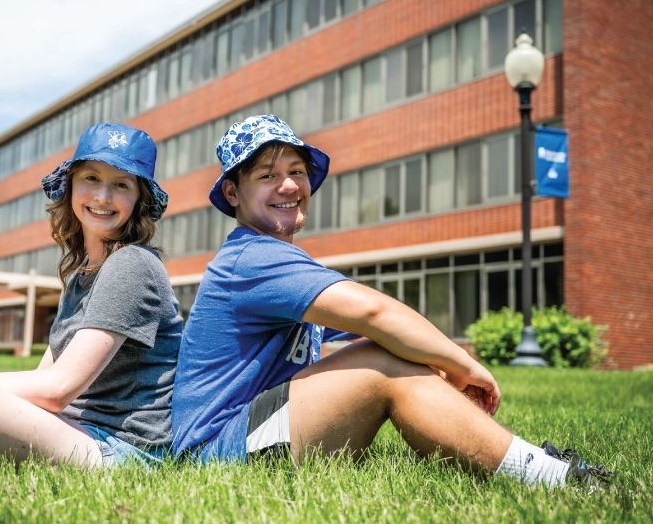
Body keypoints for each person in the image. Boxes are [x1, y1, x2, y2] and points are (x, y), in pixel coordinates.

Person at [172, 114, 611, 487]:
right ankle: (552, 477)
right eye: (266, 176)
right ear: (233, 193)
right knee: (386, 362)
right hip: (217, 452)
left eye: (298, 172)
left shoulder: (274, 257)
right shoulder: (252, 257)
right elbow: (375, 313)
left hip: (253, 432)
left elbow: (390, 330)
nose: (289, 185)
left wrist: (433, 359)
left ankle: (534, 463)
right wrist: (466, 364)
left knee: (401, 347)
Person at [0, 123, 182, 470]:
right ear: (70, 185)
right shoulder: (82, 275)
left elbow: (57, 389)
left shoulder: (131, 265)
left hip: (124, 451)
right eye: (91, 178)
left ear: (139, 200)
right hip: (77, 431)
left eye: (121, 185)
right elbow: (42, 379)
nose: (103, 196)